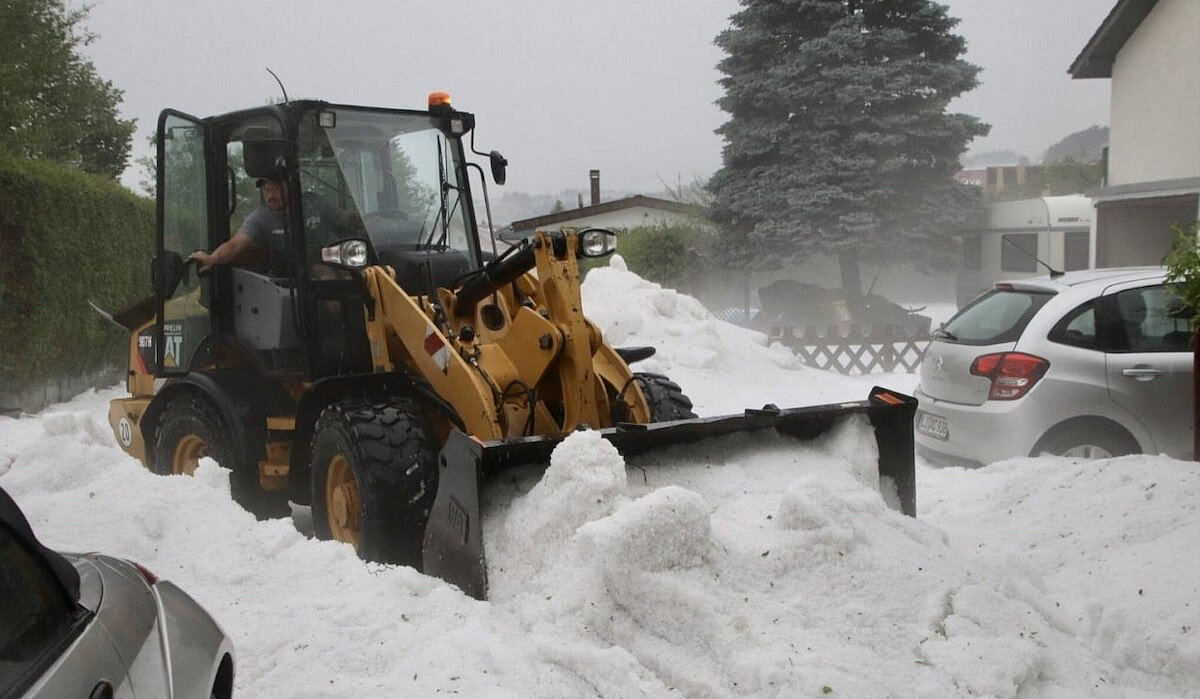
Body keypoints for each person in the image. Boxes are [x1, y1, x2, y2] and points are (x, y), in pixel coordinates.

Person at [189, 176, 360, 274]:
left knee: (359, 275)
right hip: (294, 275)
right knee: (326, 275)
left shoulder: (314, 203)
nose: (270, 195)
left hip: (335, 258)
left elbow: (344, 218)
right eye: (266, 189)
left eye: (275, 188)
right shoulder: (260, 218)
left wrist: (366, 219)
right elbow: (234, 245)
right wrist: (212, 258)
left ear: (289, 187)